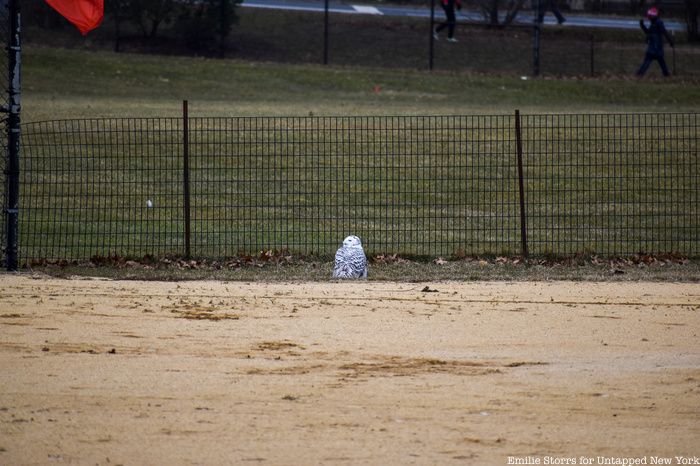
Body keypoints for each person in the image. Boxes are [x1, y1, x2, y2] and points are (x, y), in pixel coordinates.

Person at [636, 7, 675, 77]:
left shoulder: (658, 23)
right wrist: (642, 25)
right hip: (655, 47)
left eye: (649, 17)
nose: (649, 18)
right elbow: (648, 32)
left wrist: (670, 41)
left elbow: (664, 32)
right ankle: (666, 74)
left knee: (649, 60)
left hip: (655, 47)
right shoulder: (654, 23)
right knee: (660, 61)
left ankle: (640, 73)